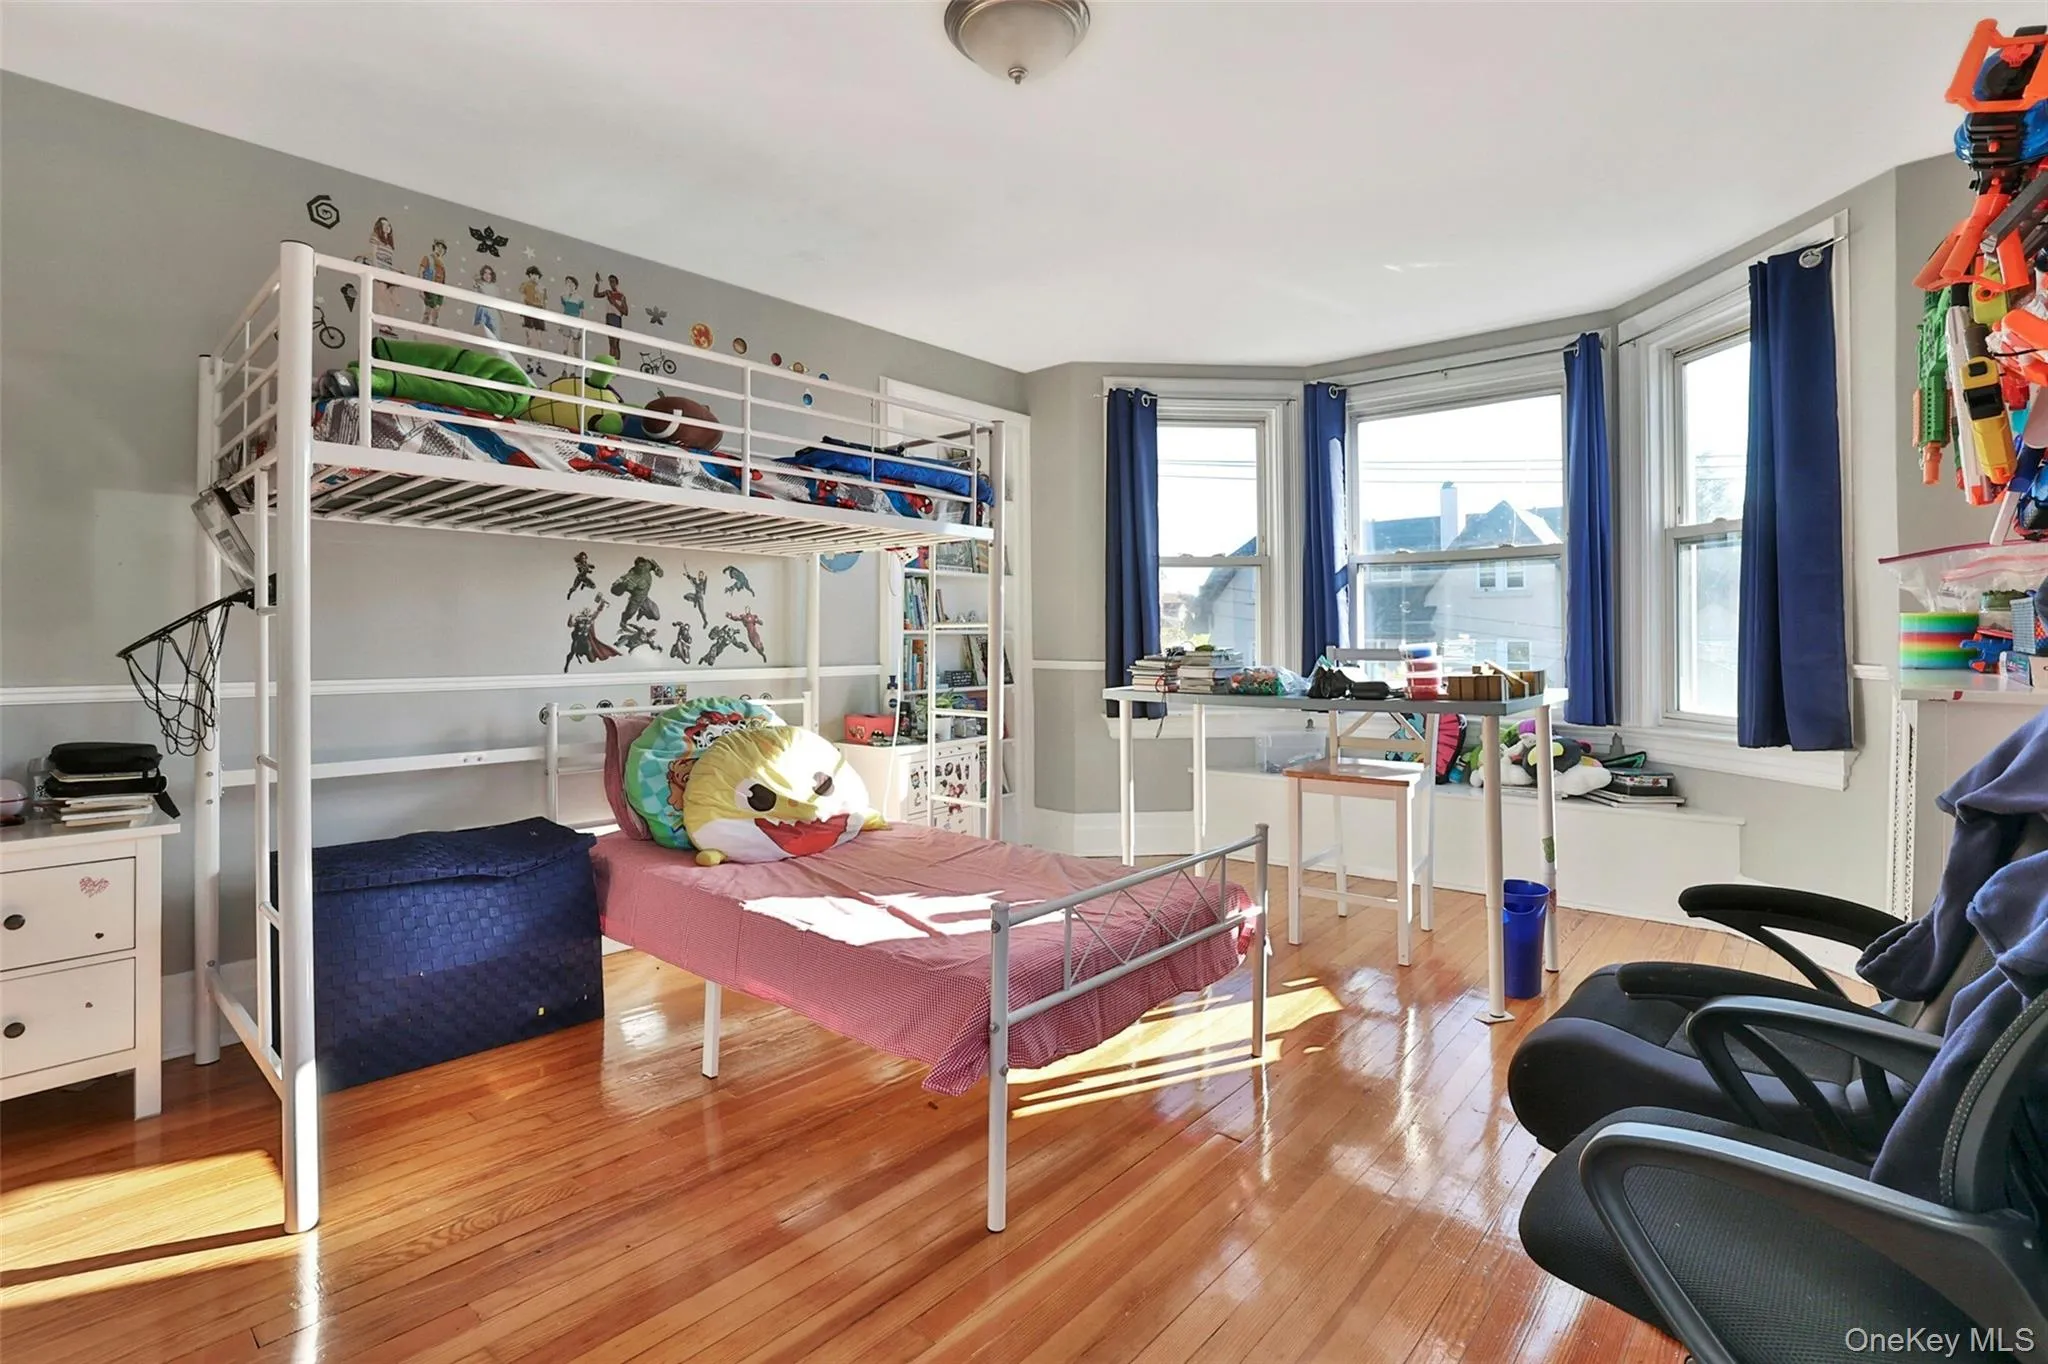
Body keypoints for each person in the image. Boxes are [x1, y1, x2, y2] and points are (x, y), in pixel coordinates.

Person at [596, 273, 628, 360]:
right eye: (610, 282)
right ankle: (611, 363)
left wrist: (614, 303)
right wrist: (597, 283)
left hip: (616, 318)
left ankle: (616, 364)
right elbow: (596, 294)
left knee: (616, 343)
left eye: (613, 282)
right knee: (611, 343)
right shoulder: (608, 292)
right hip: (609, 317)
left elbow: (625, 311)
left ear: (617, 283)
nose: (611, 284)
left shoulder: (621, 296)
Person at [417, 239, 447, 327]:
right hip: (430, 287)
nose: (440, 249)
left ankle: (432, 326)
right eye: (438, 246)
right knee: (430, 310)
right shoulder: (428, 258)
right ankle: (423, 327)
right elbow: (421, 272)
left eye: (443, 248)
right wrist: (420, 289)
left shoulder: (441, 263)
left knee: (435, 311)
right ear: (434, 247)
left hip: (439, 290)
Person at [519, 266, 548, 349]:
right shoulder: (525, 285)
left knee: (539, 337)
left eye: (536, 274)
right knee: (529, 336)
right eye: (531, 274)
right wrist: (521, 315)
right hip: (528, 309)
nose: (534, 277)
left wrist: (544, 313)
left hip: (539, 310)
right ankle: (529, 355)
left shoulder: (542, 287)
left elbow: (545, 301)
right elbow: (522, 299)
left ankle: (538, 357)